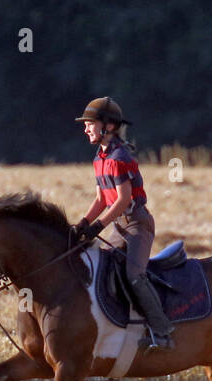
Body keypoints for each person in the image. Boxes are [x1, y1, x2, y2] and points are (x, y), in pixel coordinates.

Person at [71, 97, 173, 351]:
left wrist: (98, 227)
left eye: (90, 124)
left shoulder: (118, 156)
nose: (85, 129)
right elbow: (101, 199)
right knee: (100, 267)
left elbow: (123, 199)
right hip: (118, 225)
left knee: (134, 276)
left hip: (137, 224)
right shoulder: (100, 158)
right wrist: (83, 223)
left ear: (109, 126)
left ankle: (162, 332)